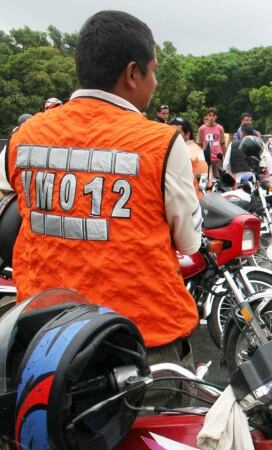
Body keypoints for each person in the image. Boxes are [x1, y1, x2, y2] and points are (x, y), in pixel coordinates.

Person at [0, 11, 202, 368]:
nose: (155, 83)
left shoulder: (24, 137)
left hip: (45, 342)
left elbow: (11, 204)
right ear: (132, 73)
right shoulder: (161, 143)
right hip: (140, 344)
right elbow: (189, 243)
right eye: (153, 71)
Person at [169, 116, 208, 199]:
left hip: (189, 199)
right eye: (170, 132)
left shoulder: (185, 151)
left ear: (187, 134)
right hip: (198, 197)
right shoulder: (195, 148)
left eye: (177, 133)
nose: (172, 135)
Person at [198, 107, 226, 178]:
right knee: (208, 179)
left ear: (216, 117)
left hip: (217, 159)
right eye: (209, 115)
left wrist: (224, 157)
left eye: (213, 116)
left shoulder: (220, 128)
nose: (211, 117)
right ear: (207, 116)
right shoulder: (202, 129)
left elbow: (222, 144)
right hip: (206, 159)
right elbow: (199, 144)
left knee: (218, 179)